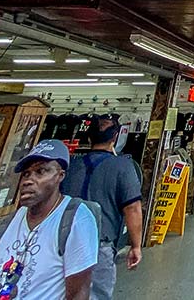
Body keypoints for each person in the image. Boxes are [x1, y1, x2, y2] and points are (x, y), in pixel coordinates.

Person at [0, 139, 99, 300]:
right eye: (26, 174)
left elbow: (79, 293)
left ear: (60, 176)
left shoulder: (76, 218)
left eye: (41, 171)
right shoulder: (9, 223)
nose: (28, 180)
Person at [61, 115, 143, 300]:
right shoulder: (123, 166)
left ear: (88, 138)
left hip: (62, 242)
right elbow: (133, 208)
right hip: (99, 244)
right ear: (115, 138)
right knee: (96, 294)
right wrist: (136, 245)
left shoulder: (71, 166)